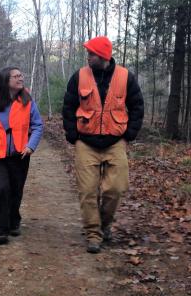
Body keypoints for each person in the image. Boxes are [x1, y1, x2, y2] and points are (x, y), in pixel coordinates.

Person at [62, 36, 144, 254]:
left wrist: (130, 134)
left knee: (115, 189)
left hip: (115, 142)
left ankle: (104, 225)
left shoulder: (126, 77)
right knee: (87, 191)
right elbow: (68, 106)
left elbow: (137, 106)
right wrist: (72, 135)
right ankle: (93, 234)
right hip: (85, 143)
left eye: (92, 54)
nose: (88, 57)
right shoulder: (79, 76)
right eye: (87, 53)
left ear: (104, 56)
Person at [0, 67, 43, 245]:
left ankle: (15, 220)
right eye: (16, 76)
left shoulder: (28, 101)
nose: (20, 78)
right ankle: (2, 228)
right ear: (6, 81)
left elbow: (38, 125)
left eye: (21, 75)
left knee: (16, 190)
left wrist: (31, 146)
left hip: (21, 155)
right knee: (3, 188)